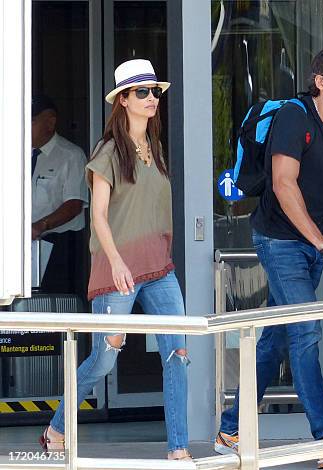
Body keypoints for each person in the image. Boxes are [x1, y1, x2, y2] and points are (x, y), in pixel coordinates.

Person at [216, 47, 323, 469]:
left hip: (311, 242)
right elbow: (283, 184)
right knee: (305, 330)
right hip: (278, 240)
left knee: (275, 339)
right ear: (320, 82)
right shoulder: (295, 117)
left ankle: (229, 428)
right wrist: (321, 243)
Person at [39, 59, 192, 461]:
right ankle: (56, 427)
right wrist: (118, 262)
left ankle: (178, 450)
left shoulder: (154, 149)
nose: (151, 98)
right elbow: (99, 216)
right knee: (104, 360)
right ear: (122, 100)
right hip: (117, 269)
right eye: (142, 92)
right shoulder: (107, 152)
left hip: (160, 268)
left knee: (178, 353)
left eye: (155, 91)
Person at [31, 94, 88, 296]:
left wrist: (40, 226)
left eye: (31, 121)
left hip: (60, 245)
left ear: (50, 122)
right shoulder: (17, 155)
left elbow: (74, 204)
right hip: (25, 245)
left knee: (55, 303)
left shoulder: (71, 155)